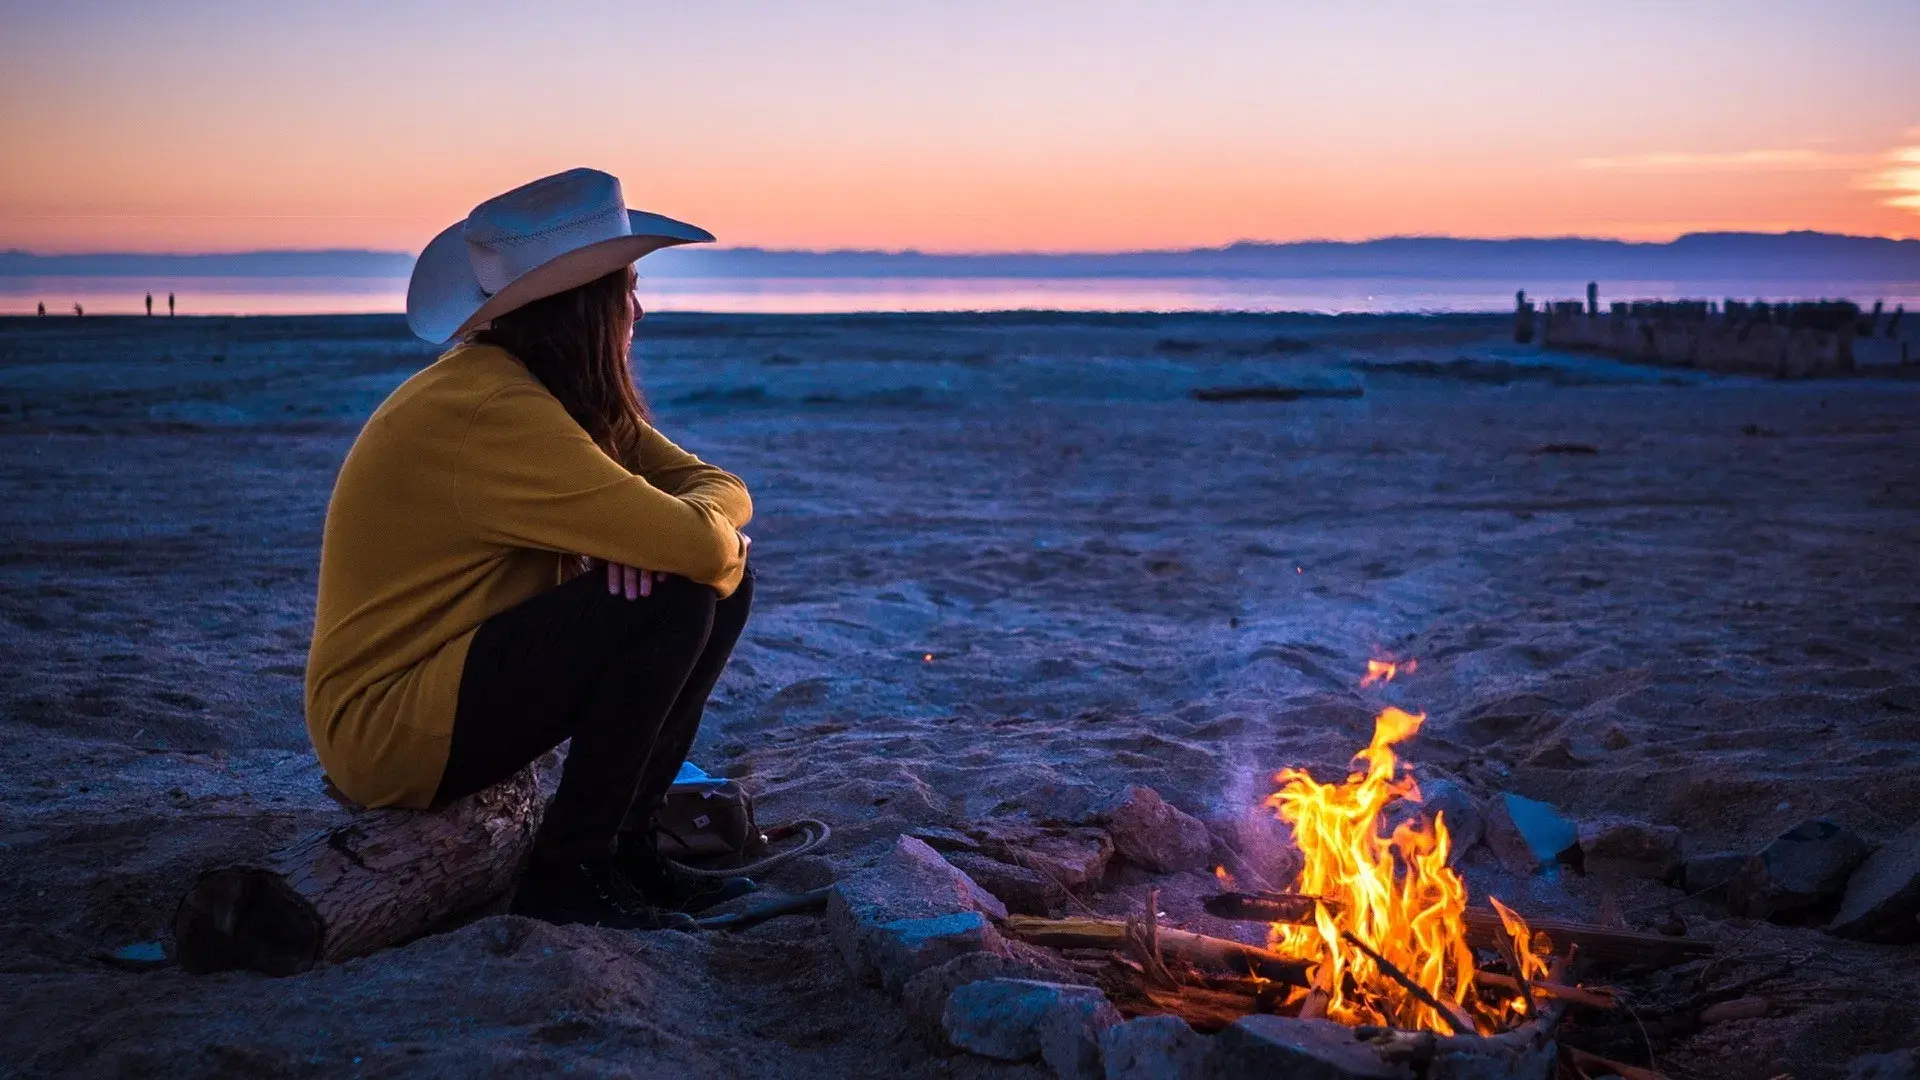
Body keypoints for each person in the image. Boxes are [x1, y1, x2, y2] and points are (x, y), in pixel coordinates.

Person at [306, 168, 752, 931]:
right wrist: (683, 543)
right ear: (589, 306)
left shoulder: (550, 394)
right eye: (628, 290)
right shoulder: (493, 410)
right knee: (681, 593)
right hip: (388, 725)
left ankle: (627, 848)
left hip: (447, 680)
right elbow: (701, 542)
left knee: (709, 584)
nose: (638, 311)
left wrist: (688, 541)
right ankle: (570, 875)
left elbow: (717, 486)